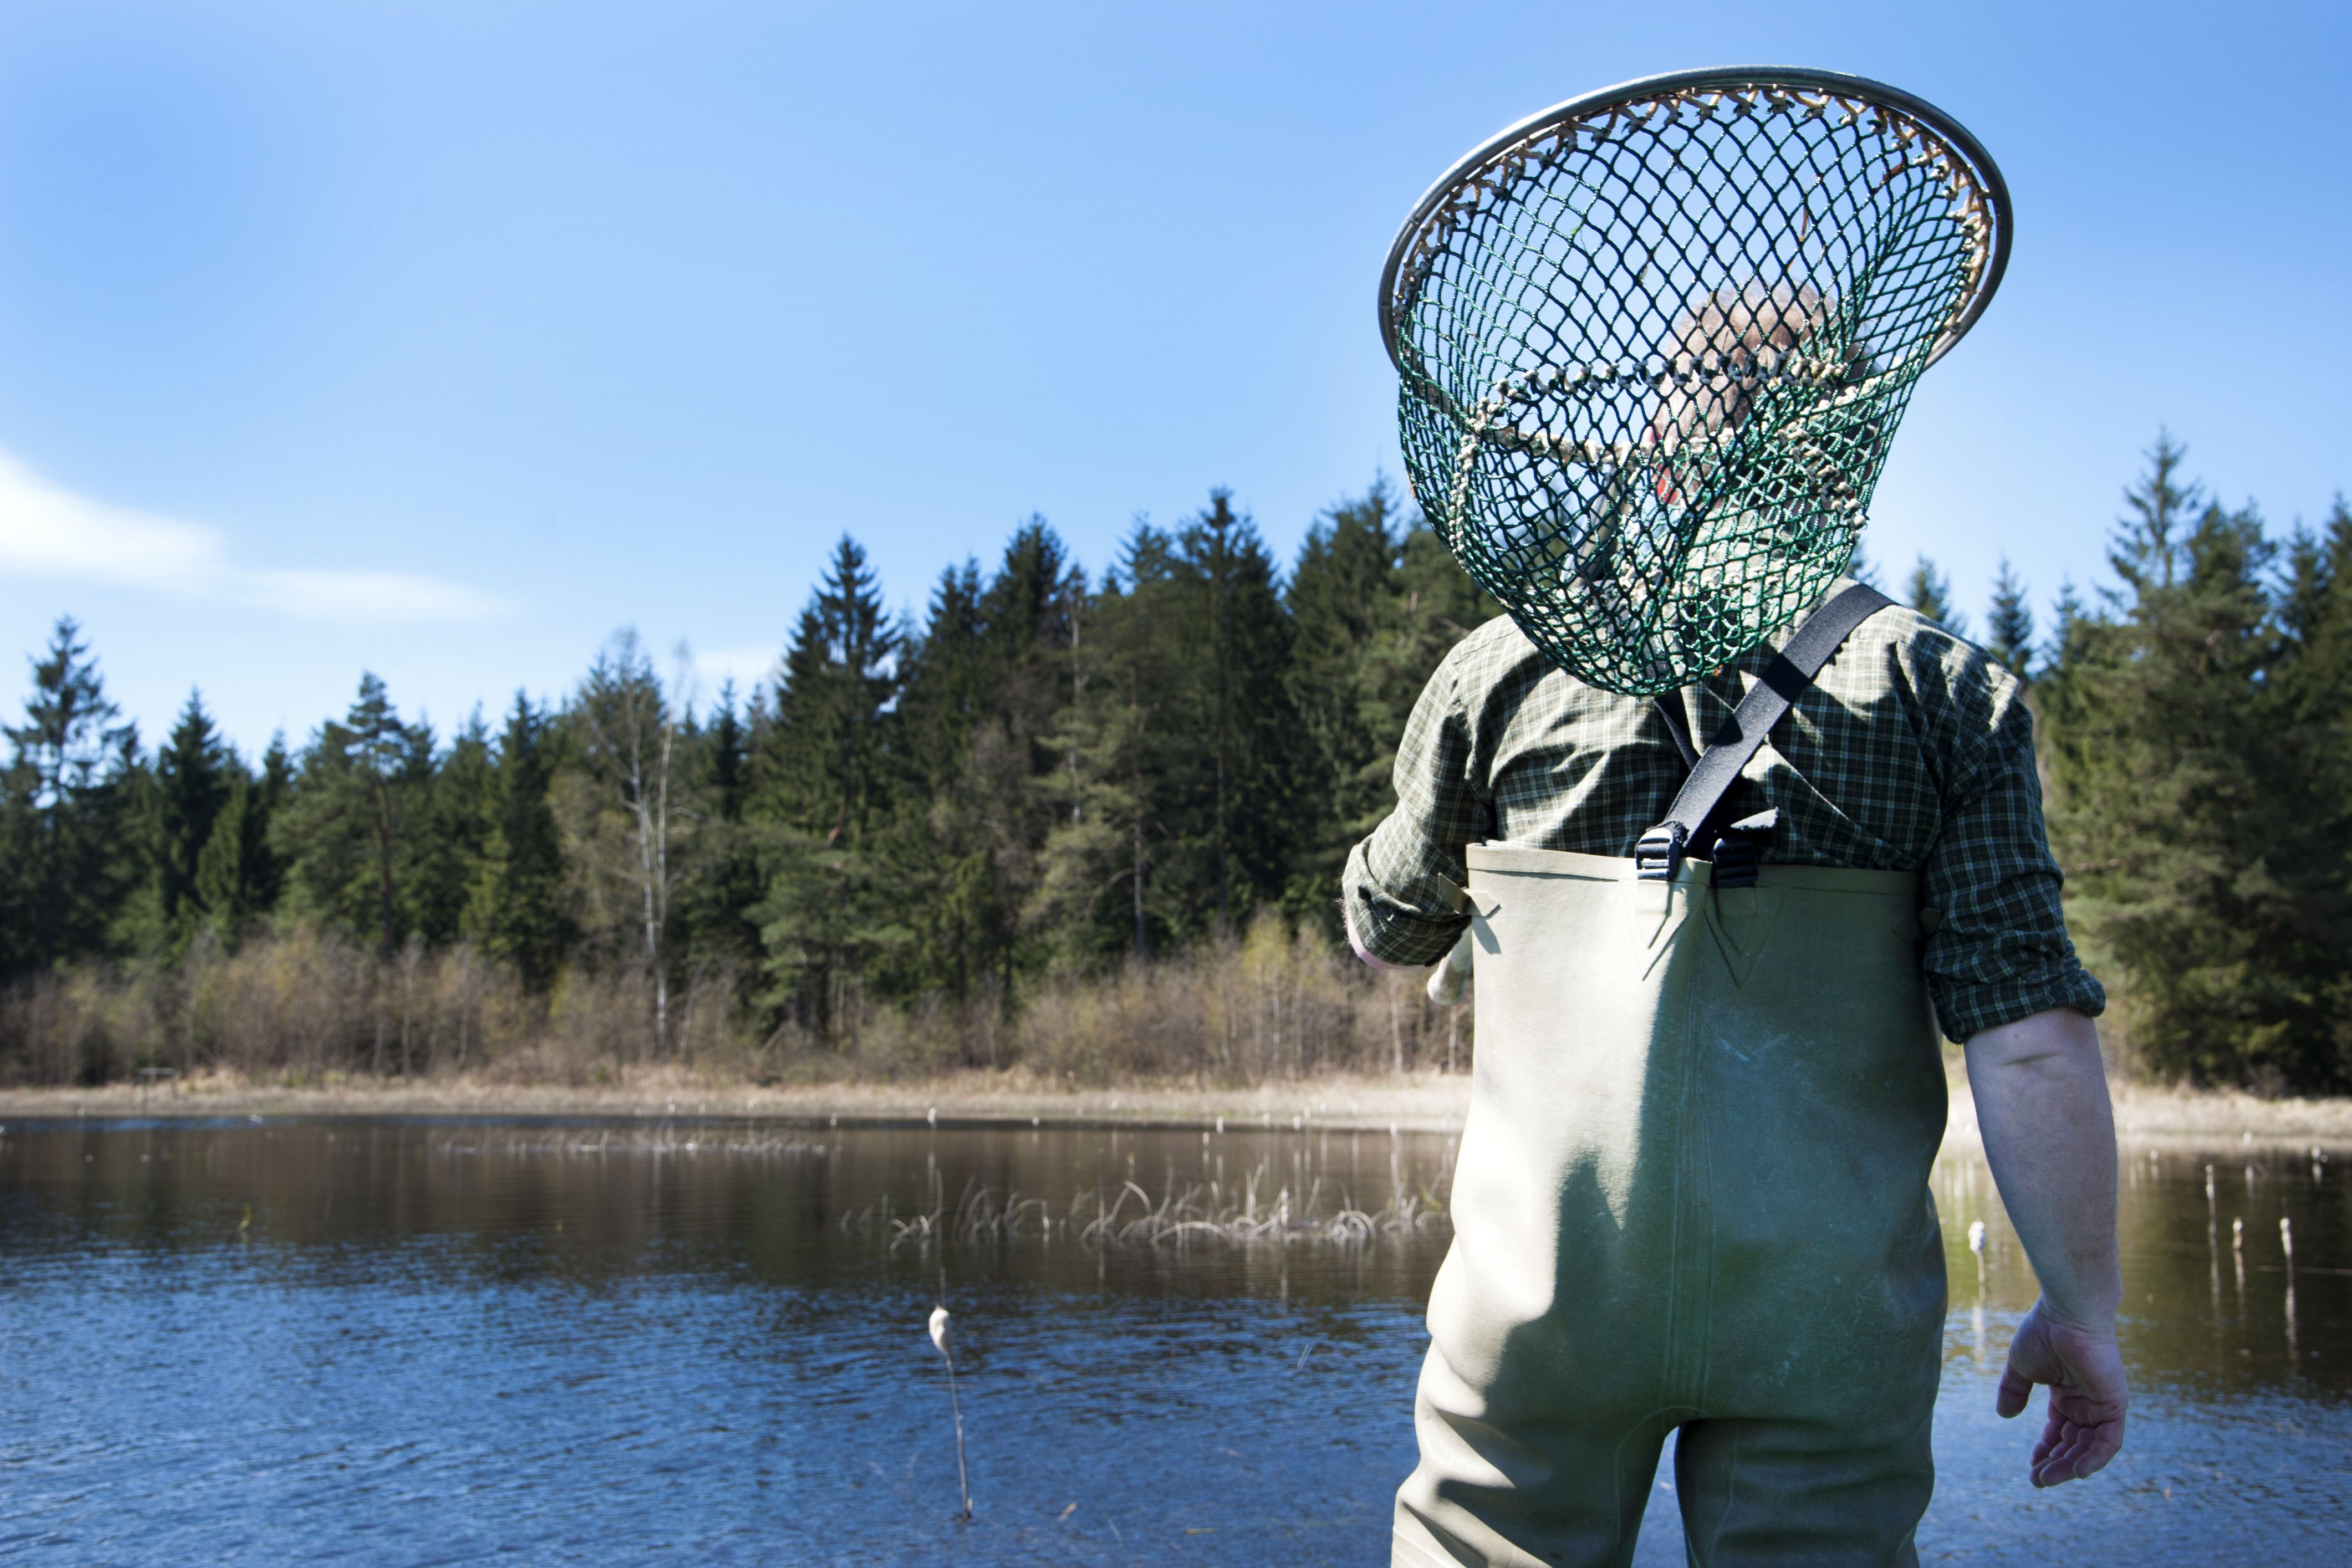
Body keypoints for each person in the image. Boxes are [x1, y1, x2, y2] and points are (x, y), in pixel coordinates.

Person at [1346, 280, 2127, 1565]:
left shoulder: (1502, 671)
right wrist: (2081, 1306)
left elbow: (1387, 926)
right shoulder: (1942, 689)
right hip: (1822, 1323)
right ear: (1842, 460)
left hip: (1540, 1308)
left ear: (1659, 454)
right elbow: (2030, 1037)